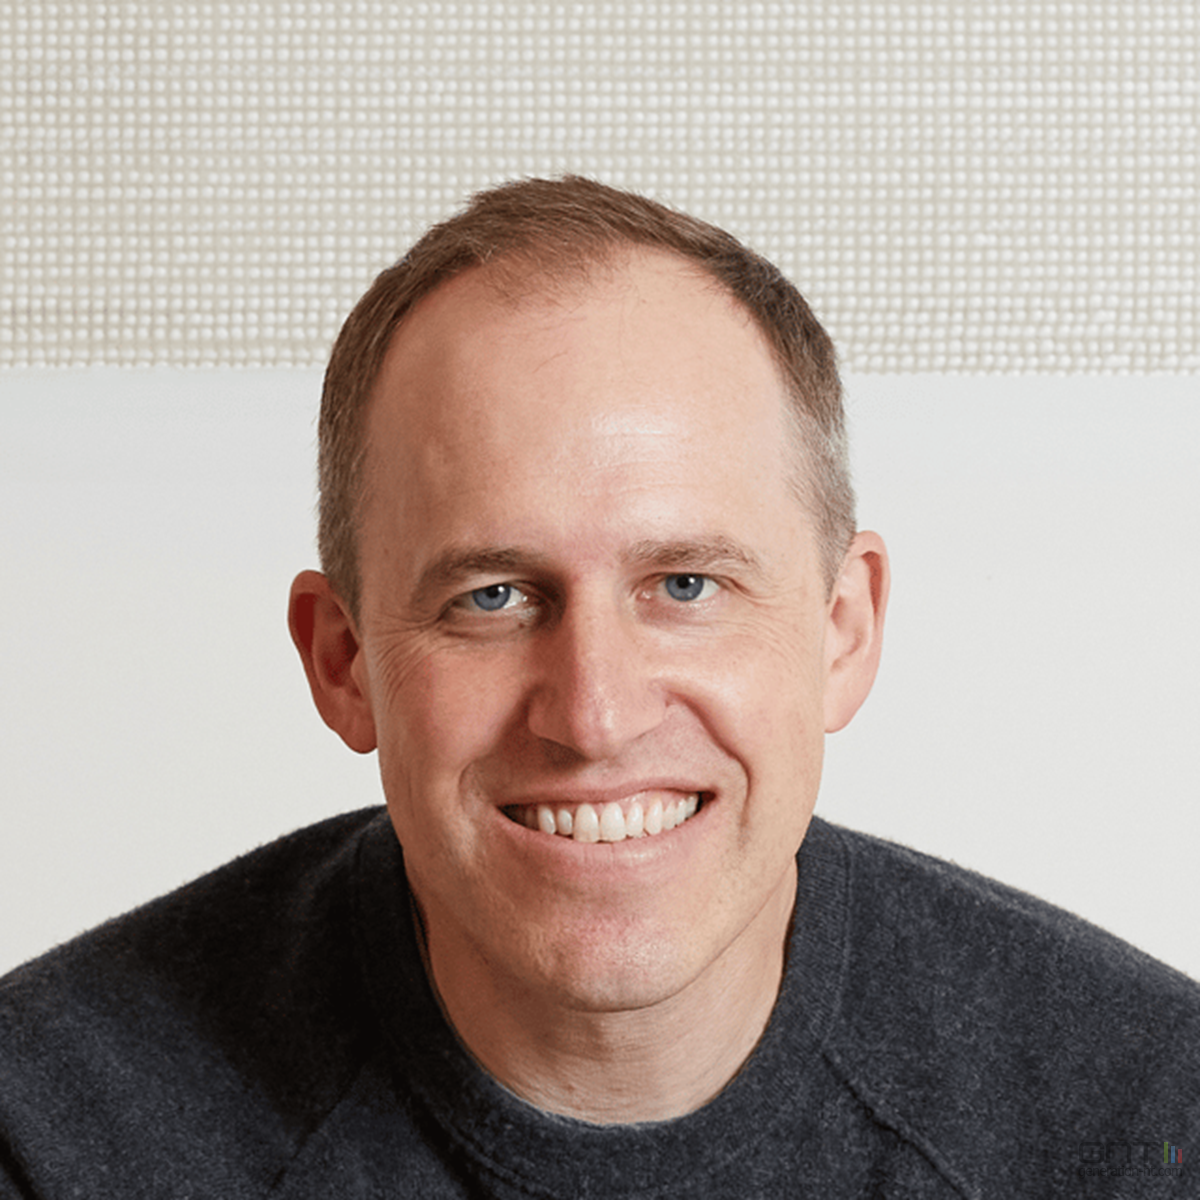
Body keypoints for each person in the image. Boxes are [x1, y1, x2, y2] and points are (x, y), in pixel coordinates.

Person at [1, 177, 1196, 1198]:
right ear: (344, 662)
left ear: (843, 629)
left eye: (685, 584)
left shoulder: (1143, 1124)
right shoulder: (51, 1135)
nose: (595, 715)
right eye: (492, 597)